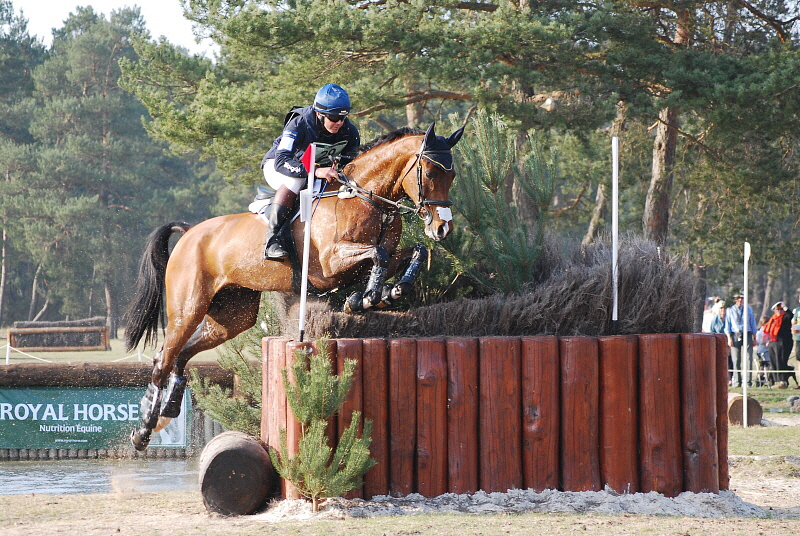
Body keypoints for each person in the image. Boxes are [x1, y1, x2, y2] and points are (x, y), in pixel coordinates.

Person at [260, 83, 361, 261]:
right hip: (279, 166)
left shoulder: (349, 131)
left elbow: (349, 163)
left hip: (314, 172)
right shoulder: (299, 123)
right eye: (334, 117)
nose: (339, 123)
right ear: (319, 114)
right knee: (296, 181)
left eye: (343, 118)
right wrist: (315, 171)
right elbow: (282, 161)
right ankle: (272, 240)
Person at [724, 293, 757, 387]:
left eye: (741, 298)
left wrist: (754, 337)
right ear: (735, 299)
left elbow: (753, 322)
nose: (740, 300)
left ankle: (748, 382)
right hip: (735, 334)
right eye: (738, 298)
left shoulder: (748, 309)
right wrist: (729, 338)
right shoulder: (730, 310)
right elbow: (728, 325)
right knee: (736, 359)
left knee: (748, 358)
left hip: (747, 333)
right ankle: (737, 381)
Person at [764, 302, 793, 389]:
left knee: (781, 361)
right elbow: (768, 331)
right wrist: (768, 341)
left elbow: (791, 315)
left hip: (783, 342)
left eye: (781, 309)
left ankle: (783, 381)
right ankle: (775, 380)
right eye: (778, 309)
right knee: (774, 362)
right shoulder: (773, 319)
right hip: (773, 342)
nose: (780, 311)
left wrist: (785, 307)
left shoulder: (785, 317)